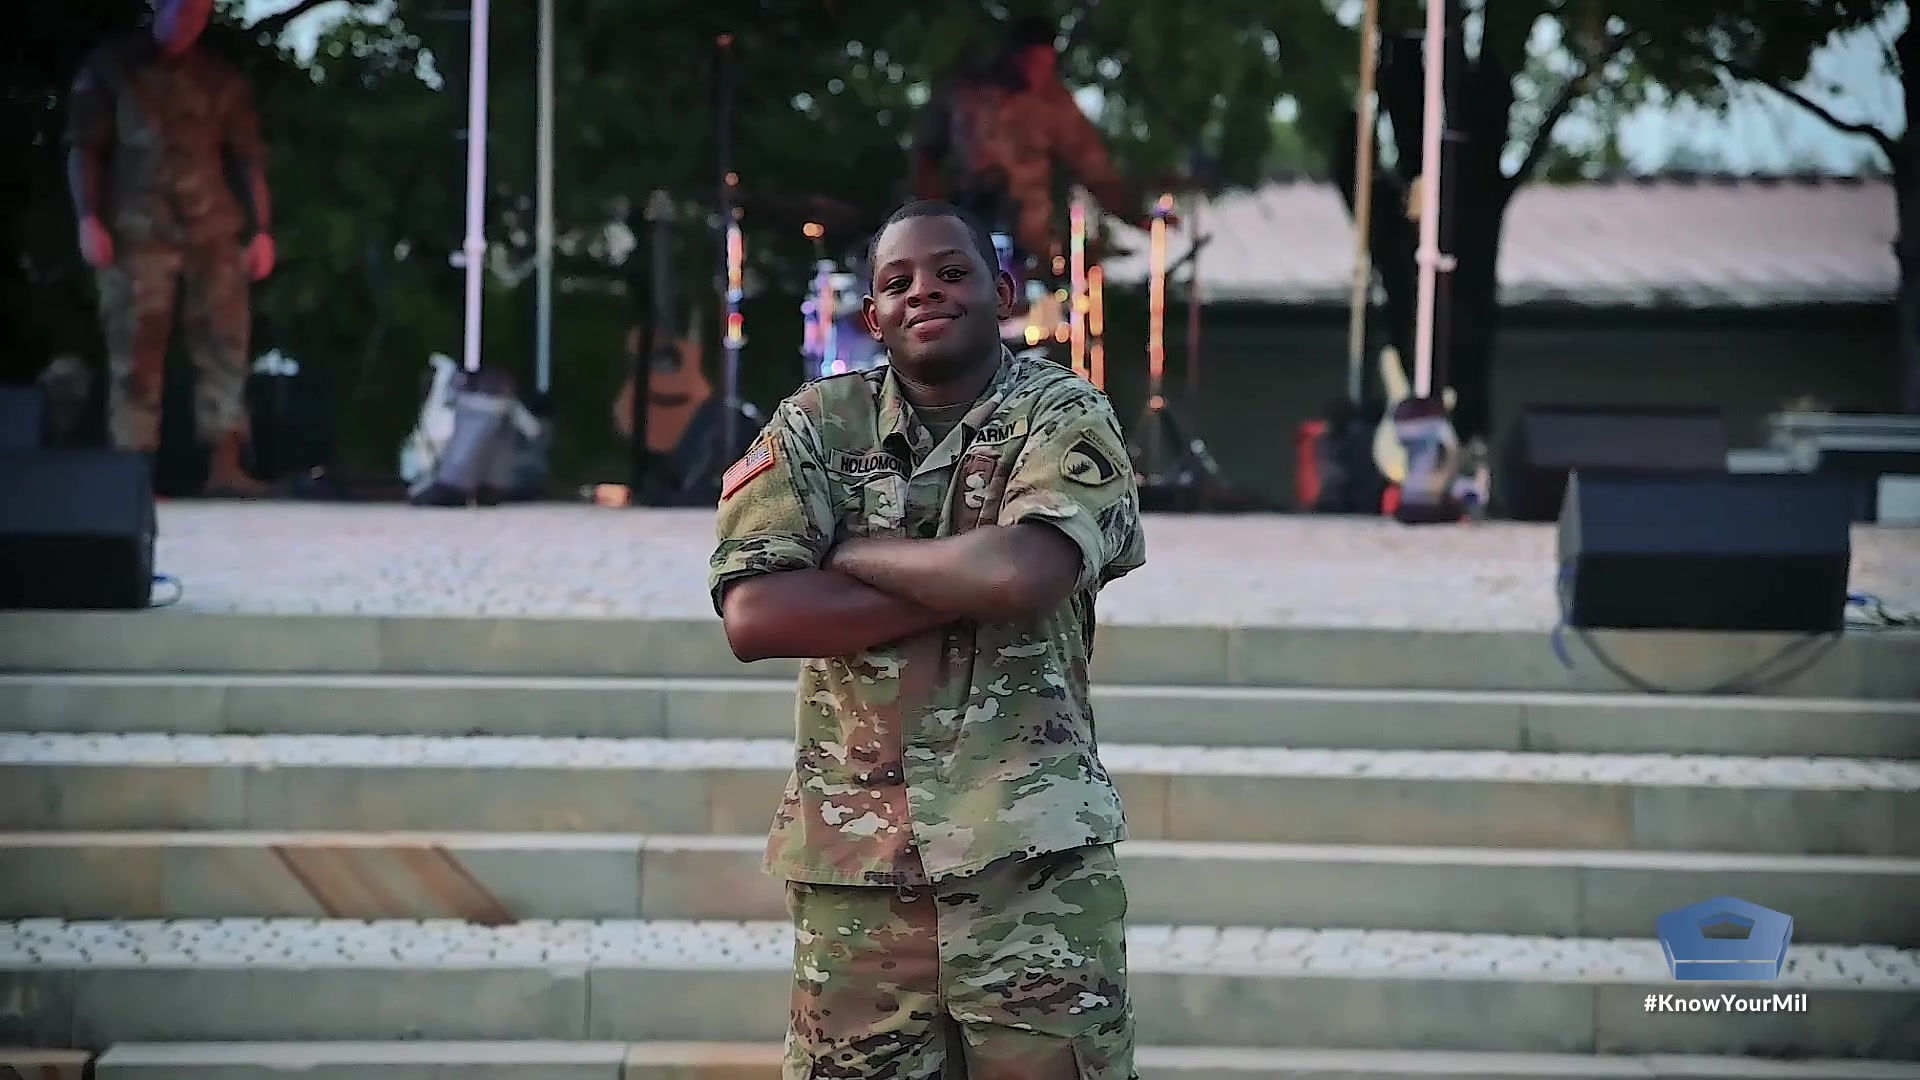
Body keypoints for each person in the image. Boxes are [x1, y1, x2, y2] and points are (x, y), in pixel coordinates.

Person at [710, 199, 1146, 1080]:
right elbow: (757, 618)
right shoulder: (816, 427)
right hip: (856, 876)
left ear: (1004, 292)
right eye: (898, 281)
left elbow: (1025, 575)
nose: (925, 292)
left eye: (952, 272)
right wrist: (968, 579)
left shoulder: (1060, 414)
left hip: (1032, 859)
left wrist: (857, 554)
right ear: (871, 316)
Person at [66, 0, 276, 497]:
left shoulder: (217, 78)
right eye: (183, 10)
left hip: (211, 225)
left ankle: (226, 464)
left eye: (200, 13)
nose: (190, 23)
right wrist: (87, 218)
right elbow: (83, 147)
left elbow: (247, 157)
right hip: (137, 228)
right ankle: (133, 469)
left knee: (224, 343)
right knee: (136, 346)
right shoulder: (113, 69)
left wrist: (261, 230)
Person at [912, 15, 1164, 268]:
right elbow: (926, 155)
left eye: (1045, 65)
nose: (1037, 74)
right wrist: (929, 215)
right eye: (1031, 63)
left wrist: (1135, 216)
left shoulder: (1055, 104)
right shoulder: (965, 90)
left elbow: (1094, 168)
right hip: (962, 221)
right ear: (1014, 56)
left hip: (1027, 237)